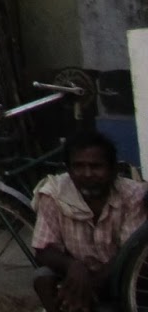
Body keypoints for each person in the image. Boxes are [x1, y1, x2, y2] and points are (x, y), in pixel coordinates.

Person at [32, 128, 148, 311]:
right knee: (42, 277)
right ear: (68, 169)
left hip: (120, 276)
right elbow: (43, 249)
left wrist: (89, 287)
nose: (86, 174)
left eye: (96, 167)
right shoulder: (54, 193)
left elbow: (130, 255)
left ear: (113, 169)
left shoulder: (132, 196)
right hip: (76, 276)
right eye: (78, 166)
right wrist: (73, 266)